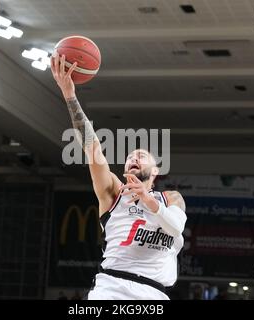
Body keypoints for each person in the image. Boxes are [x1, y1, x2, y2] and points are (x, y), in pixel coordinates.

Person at [51, 54, 187, 300]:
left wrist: (149, 201)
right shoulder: (114, 192)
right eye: (130, 156)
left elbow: (176, 227)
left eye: (141, 155)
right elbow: (92, 149)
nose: (134, 157)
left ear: (155, 171)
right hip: (111, 288)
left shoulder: (171, 198)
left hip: (153, 294)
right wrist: (70, 96)